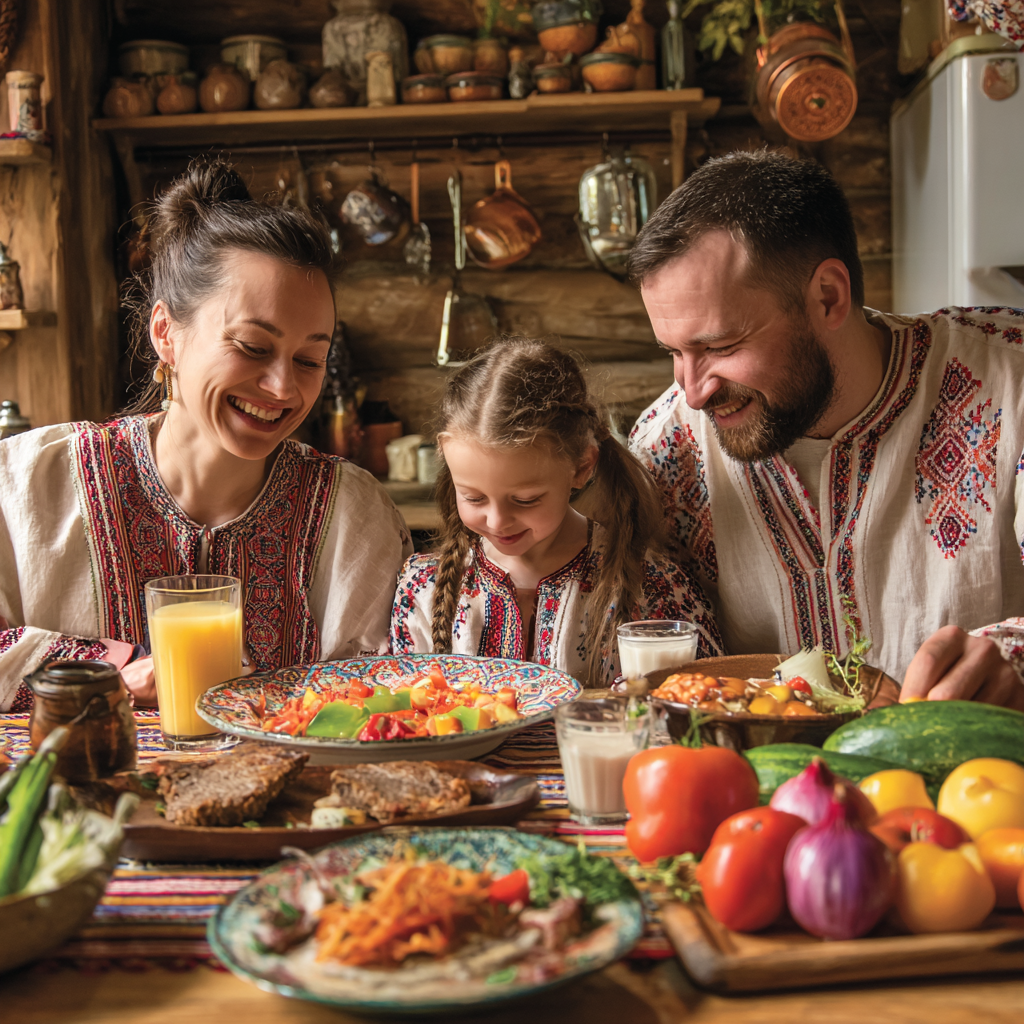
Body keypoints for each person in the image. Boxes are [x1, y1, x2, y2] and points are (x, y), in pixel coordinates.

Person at [0, 158, 412, 712]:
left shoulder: (351, 515)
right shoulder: (27, 484)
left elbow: (383, 698)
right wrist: (114, 675)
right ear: (167, 334)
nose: (282, 386)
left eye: (310, 359)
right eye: (252, 346)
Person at [627, 149, 1024, 708]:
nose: (692, 391)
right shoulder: (667, 448)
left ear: (828, 297)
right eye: (674, 352)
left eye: (718, 346)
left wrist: (1016, 657)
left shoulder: (1013, 380)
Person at [389, 338, 721, 685]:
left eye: (526, 499)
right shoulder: (424, 590)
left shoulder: (652, 587)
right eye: (473, 498)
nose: (498, 521)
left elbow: (703, 701)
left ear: (581, 468)